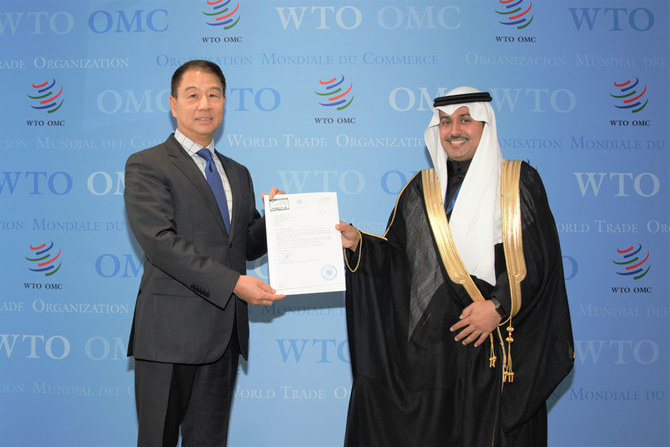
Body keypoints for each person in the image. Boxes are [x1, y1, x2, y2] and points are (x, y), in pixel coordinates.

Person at [336, 87, 574, 446]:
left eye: (465, 120)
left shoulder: (517, 181)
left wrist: (498, 307)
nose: (454, 130)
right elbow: (399, 261)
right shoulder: (422, 189)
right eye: (445, 122)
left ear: (485, 126)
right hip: (436, 355)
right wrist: (359, 245)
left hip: (493, 343)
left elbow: (538, 260)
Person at [124, 59, 285, 447]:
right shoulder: (147, 164)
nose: (204, 104)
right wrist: (234, 284)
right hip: (168, 336)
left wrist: (276, 219)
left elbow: (244, 245)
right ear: (173, 104)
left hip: (223, 337)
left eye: (214, 95)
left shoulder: (238, 173)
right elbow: (161, 242)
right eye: (193, 95)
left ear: (224, 102)